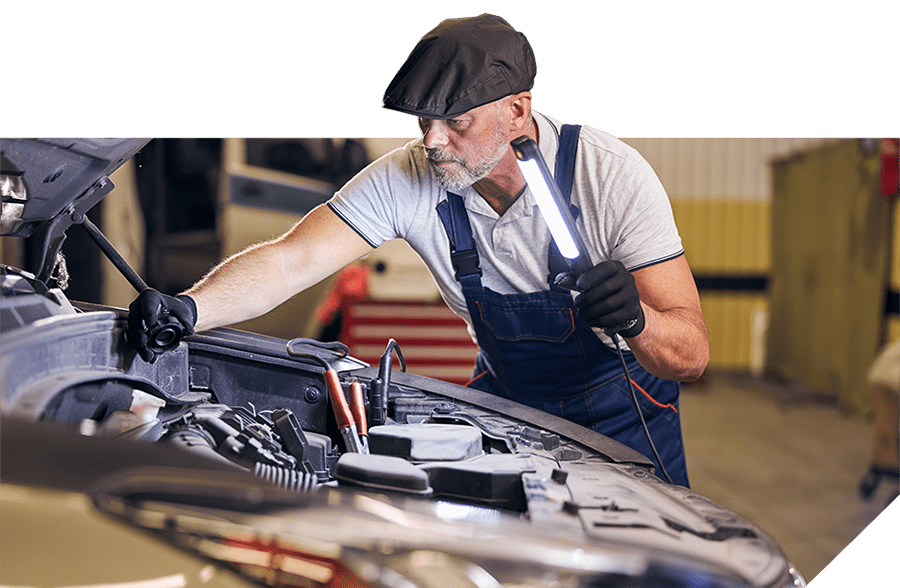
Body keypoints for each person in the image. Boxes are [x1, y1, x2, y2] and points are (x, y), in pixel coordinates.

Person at [128, 14, 708, 487]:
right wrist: (192, 308)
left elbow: (690, 354)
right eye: (425, 121)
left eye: (455, 121)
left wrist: (637, 320)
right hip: (511, 405)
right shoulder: (413, 176)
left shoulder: (610, 176)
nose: (432, 141)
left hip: (622, 412)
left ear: (517, 110)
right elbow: (292, 258)